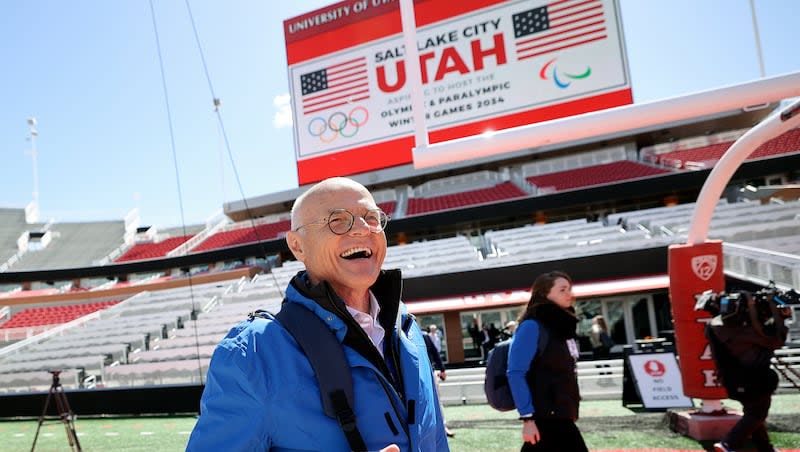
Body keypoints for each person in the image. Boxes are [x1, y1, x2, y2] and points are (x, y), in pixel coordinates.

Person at [187, 177, 449, 451]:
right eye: (338, 221)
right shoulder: (253, 354)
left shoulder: (407, 328)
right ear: (297, 246)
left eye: (371, 218)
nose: (362, 229)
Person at [506, 271, 588, 451]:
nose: (569, 294)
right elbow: (515, 373)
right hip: (544, 416)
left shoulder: (562, 327)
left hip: (561, 414)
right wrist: (527, 418)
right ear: (544, 294)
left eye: (570, 289)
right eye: (562, 290)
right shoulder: (532, 326)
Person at [706, 303, 788, 452]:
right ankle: (729, 444)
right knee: (757, 414)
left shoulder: (715, 326)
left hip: (731, 379)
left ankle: (765, 448)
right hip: (754, 380)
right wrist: (779, 317)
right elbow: (776, 339)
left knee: (753, 413)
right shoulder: (742, 331)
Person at [424, 324, 455, 438]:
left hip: (429, 373)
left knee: (436, 400)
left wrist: (442, 369)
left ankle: (443, 427)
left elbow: (435, 353)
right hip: (410, 375)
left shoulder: (423, 336)